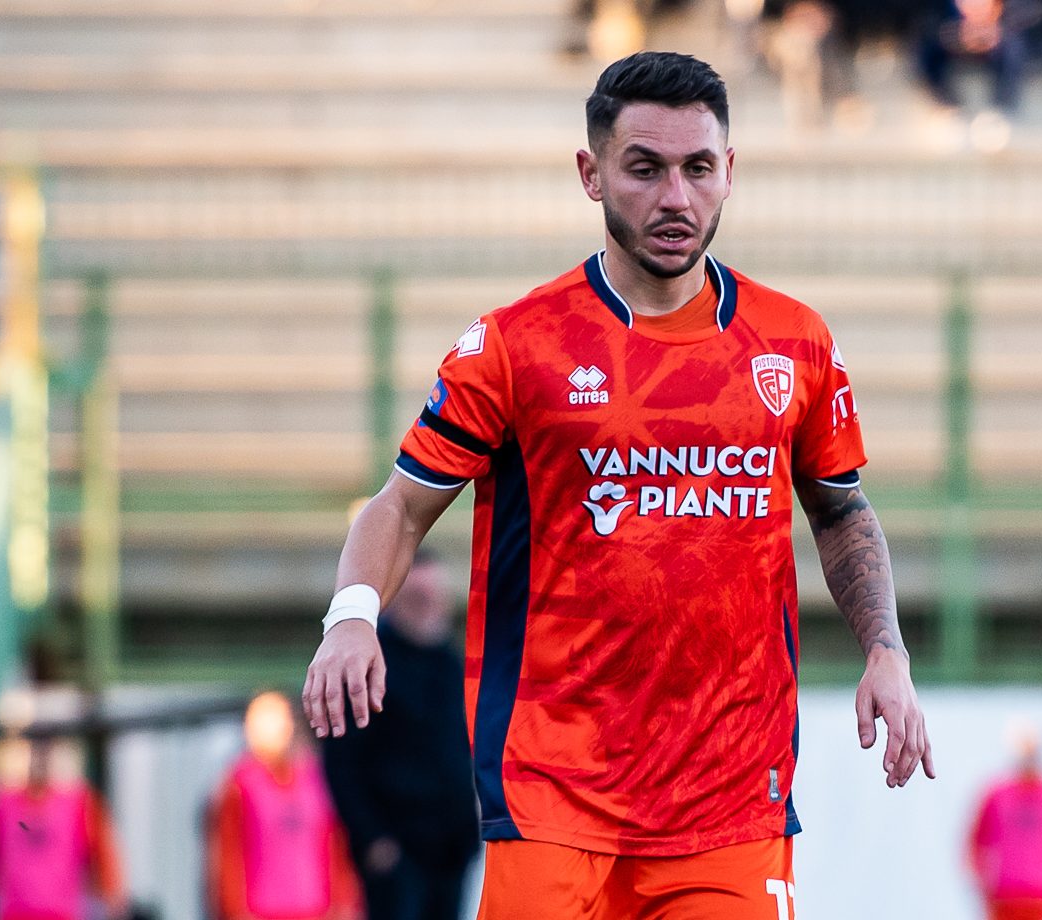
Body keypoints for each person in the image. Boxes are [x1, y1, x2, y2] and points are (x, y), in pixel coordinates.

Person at [303, 50, 935, 920]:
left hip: (731, 799)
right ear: (591, 174)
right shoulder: (518, 346)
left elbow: (840, 509)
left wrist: (886, 649)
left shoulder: (793, 343)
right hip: (555, 794)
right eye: (645, 168)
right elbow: (402, 504)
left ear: (729, 171)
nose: (676, 197)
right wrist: (350, 617)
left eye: (698, 168)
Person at [322, 551, 480, 920]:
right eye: (419, 598)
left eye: (435, 598)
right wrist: (372, 839)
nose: (430, 607)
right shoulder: (370, 664)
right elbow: (341, 761)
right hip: (398, 850)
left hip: (452, 848)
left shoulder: (451, 663)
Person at [207, 692, 360, 920]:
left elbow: (337, 845)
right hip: (261, 912)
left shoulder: (317, 779)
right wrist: (234, 910)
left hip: (316, 910)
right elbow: (226, 856)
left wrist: (345, 902)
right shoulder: (238, 785)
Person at [0, 737, 127, 920]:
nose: (40, 759)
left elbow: (105, 860)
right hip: (12, 914)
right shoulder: (0, 803)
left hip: (62, 914)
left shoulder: (79, 804)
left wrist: (113, 900)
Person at [966, 721, 1042, 920]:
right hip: (1003, 894)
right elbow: (975, 844)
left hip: (1040, 896)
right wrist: (981, 886)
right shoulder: (997, 794)